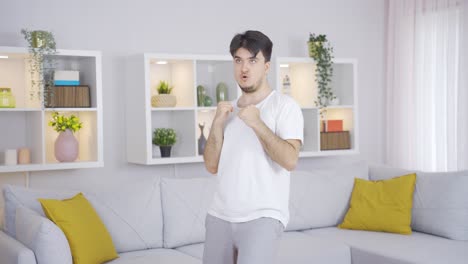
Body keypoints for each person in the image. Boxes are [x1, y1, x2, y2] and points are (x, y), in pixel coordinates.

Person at [202, 30, 304, 264]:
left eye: (252, 60)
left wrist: (257, 123)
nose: (244, 68)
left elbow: (290, 160)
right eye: (238, 60)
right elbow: (211, 165)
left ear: (266, 66)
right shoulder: (226, 111)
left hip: (263, 217)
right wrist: (217, 123)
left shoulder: (284, 107)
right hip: (219, 215)